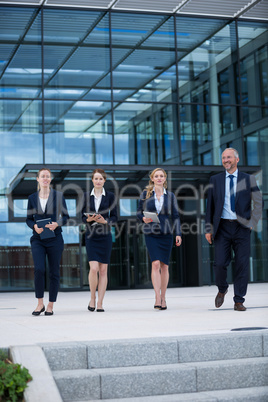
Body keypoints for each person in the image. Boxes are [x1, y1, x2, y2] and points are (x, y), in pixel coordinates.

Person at [205, 148, 262, 311]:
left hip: (242, 227)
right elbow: (210, 206)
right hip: (222, 227)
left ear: (237, 159)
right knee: (219, 263)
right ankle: (222, 288)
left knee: (242, 264)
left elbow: (258, 202)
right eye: (223, 158)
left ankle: (239, 300)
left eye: (228, 157)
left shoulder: (248, 179)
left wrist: (253, 221)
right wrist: (208, 228)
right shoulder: (215, 179)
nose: (225, 160)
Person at [137, 168, 182, 310]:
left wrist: (178, 233)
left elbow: (175, 216)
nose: (159, 178)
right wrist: (142, 218)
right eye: (156, 176)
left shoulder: (170, 196)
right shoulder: (145, 194)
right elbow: (138, 212)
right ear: (152, 178)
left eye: (161, 176)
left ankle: (164, 297)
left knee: (165, 265)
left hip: (166, 233)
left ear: (165, 178)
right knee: (155, 264)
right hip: (151, 233)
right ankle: (157, 297)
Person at [26, 168, 69, 316]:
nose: (45, 178)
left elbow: (66, 217)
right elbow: (28, 219)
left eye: (48, 176)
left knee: (54, 272)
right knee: (39, 269)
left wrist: (57, 224)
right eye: (42, 176)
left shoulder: (58, 196)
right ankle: (40, 303)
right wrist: (34, 226)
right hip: (38, 239)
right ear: (37, 179)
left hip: (55, 238)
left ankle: (50, 304)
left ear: (50, 179)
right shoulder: (32, 198)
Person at [82, 169, 117, 312]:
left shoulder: (110, 196)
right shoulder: (85, 196)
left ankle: (100, 302)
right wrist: (88, 219)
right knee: (94, 268)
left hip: (105, 236)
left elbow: (115, 217)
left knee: (103, 271)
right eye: (96, 178)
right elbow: (81, 217)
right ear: (92, 180)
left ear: (104, 181)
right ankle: (92, 298)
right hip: (91, 236)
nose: (98, 181)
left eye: (101, 179)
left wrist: (105, 220)